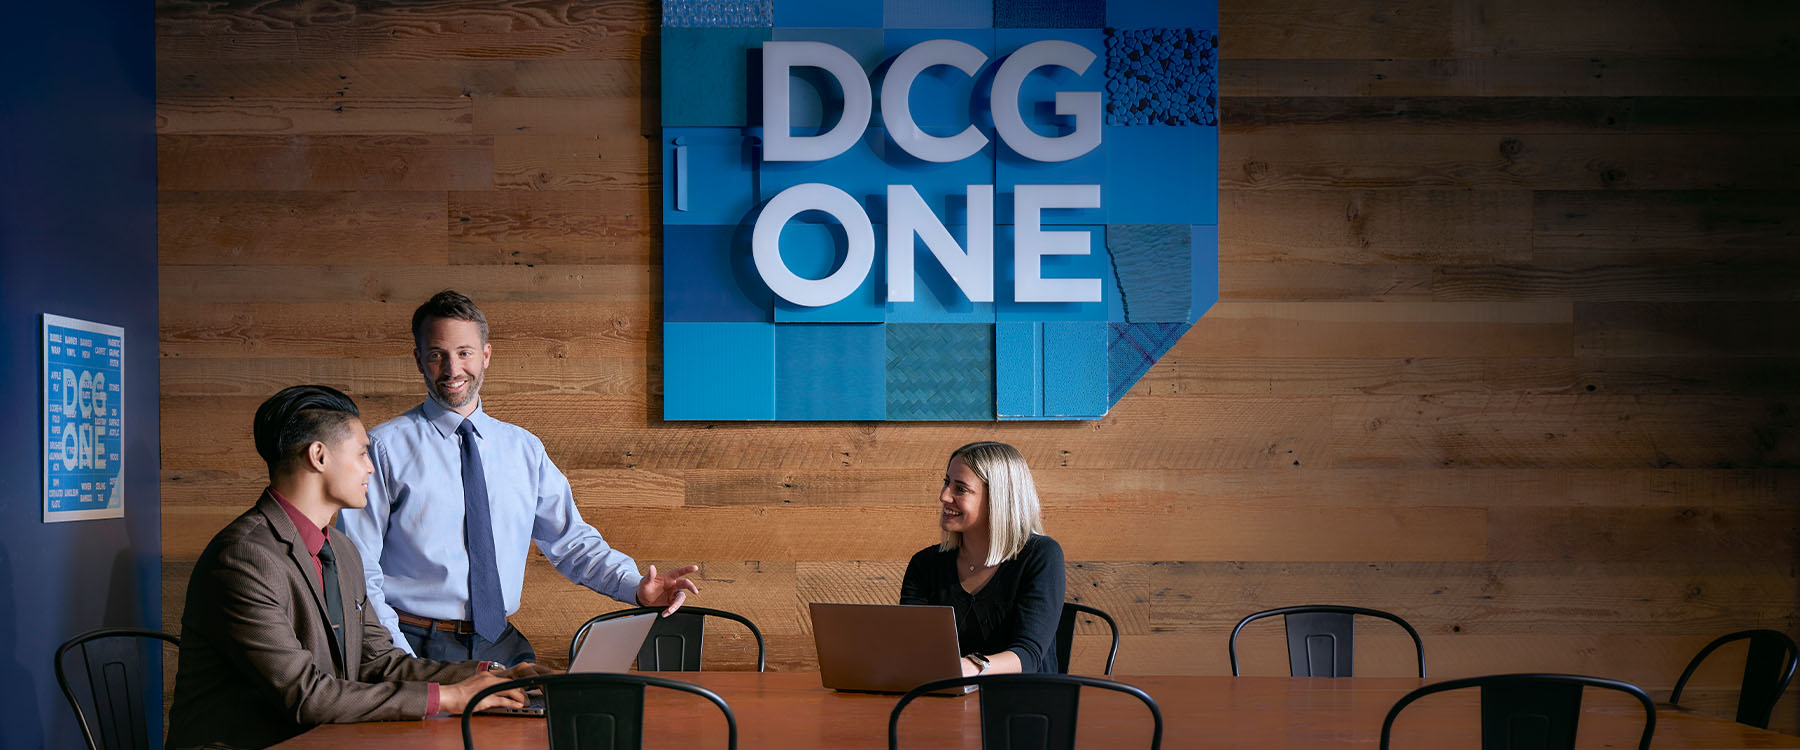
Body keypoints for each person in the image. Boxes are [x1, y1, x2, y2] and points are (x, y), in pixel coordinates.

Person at [339, 290, 699, 666]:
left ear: (486, 355)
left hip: (501, 645)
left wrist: (636, 589)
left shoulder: (523, 450)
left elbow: (572, 542)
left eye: (464, 353)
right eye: (436, 355)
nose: (452, 369)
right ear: (418, 360)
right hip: (418, 643)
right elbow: (359, 570)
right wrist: (400, 657)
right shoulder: (382, 449)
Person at [167, 385, 537, 750]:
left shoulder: (342, 549)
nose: (370, 468)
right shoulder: (243, 559)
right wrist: (448, 698)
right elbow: (306, 696)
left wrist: (493, 676)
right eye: (362, 453)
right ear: (319, 456)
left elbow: (382, 663)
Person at [899, 441, 1067, 676]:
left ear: (998, 498)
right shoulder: (925, 564)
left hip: (1024, 703)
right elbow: (914, 648)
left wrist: (967, 667)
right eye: (947, 483)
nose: (944, 496)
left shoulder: (1041, 555)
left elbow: (1027, 656)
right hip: (945, 699)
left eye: (960, 489)